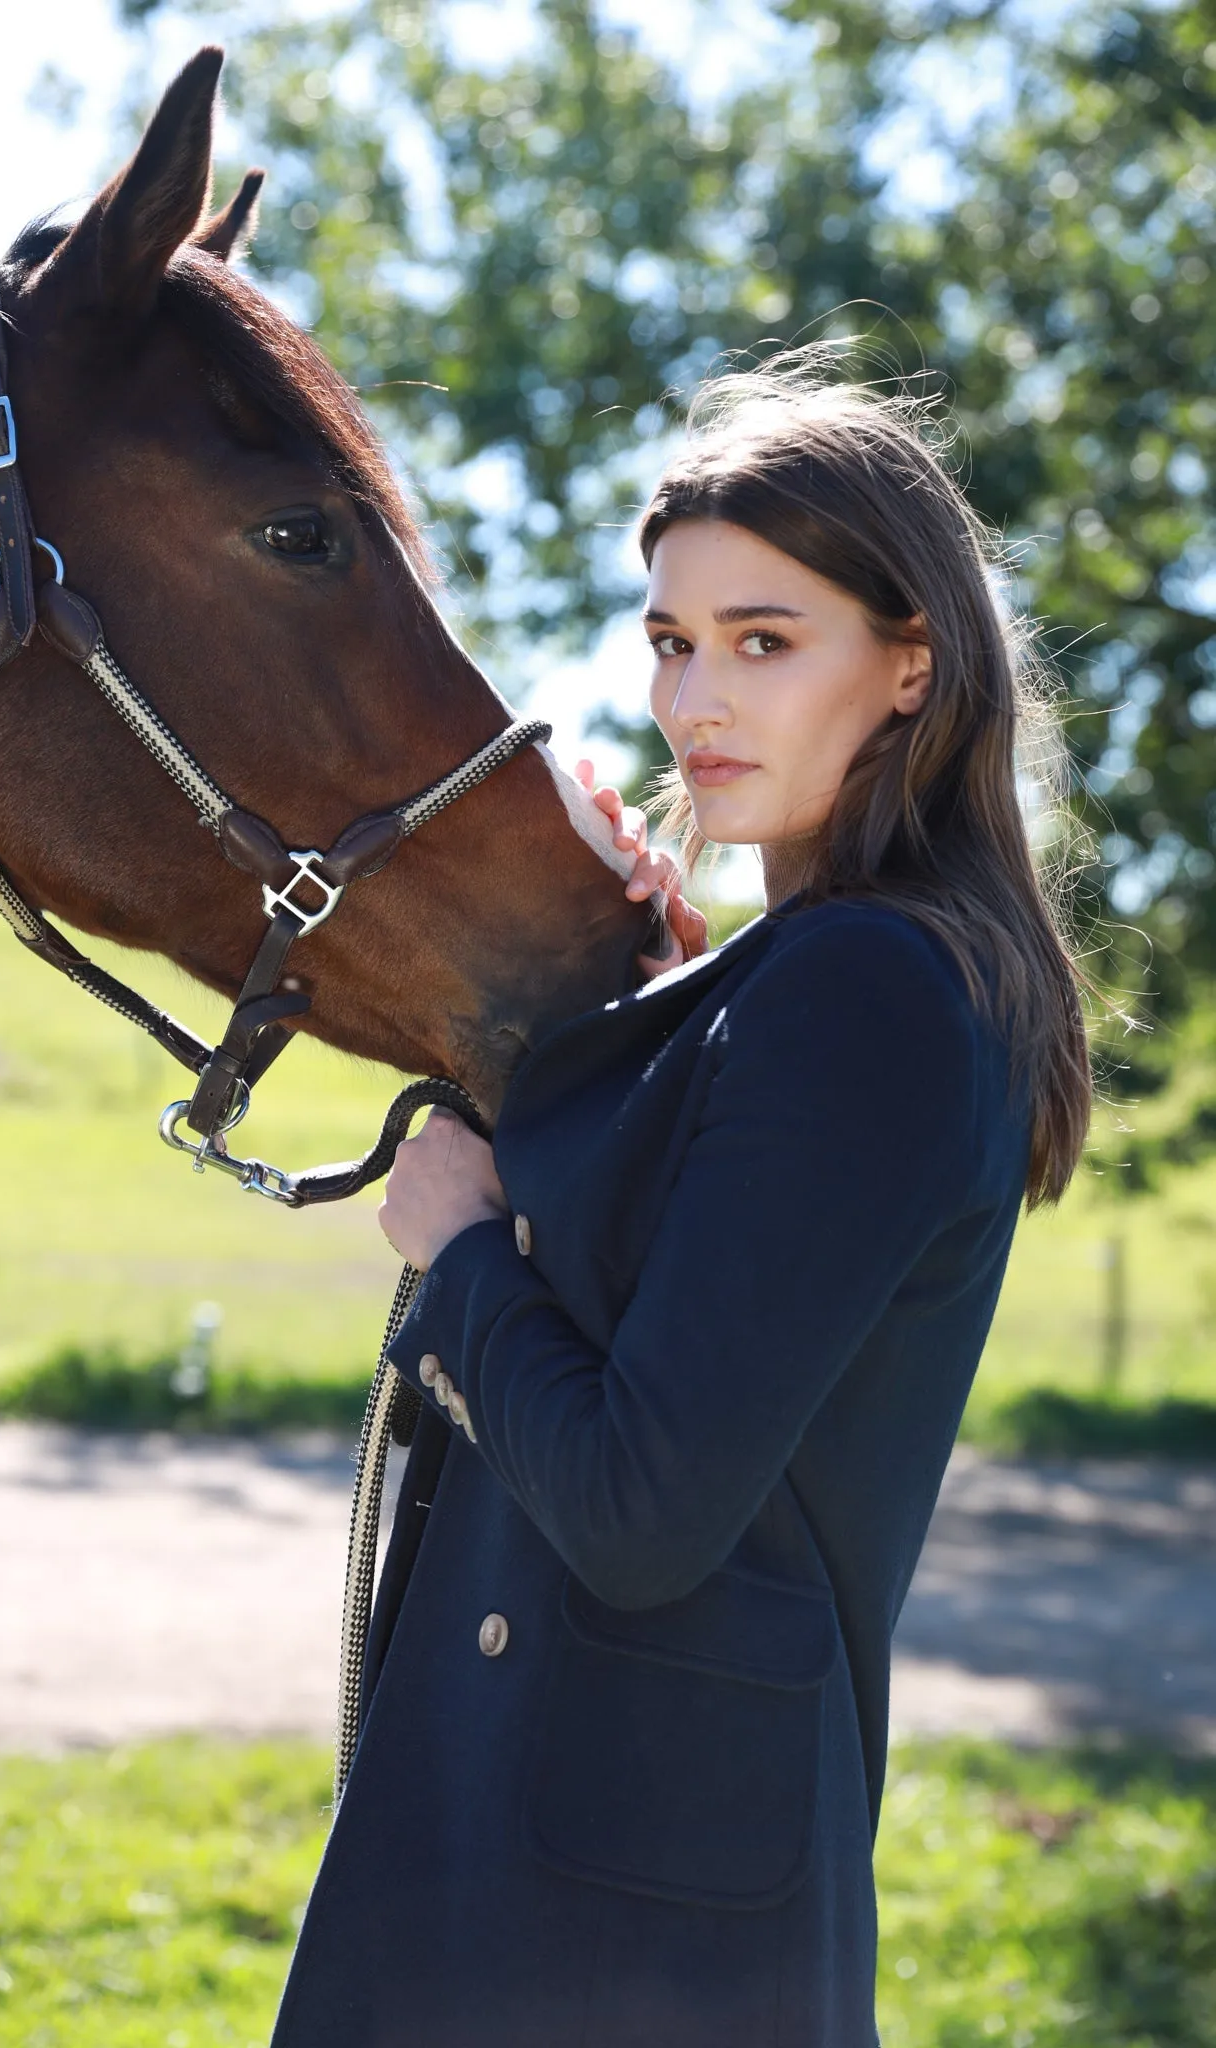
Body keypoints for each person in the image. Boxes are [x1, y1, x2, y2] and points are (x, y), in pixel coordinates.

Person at [269, 353, 1092, 2048]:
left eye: (763, 641)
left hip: (624, 1928)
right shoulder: (812, 977)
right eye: (671, 641)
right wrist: (633, 993)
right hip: (594, 1872)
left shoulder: (866, 993)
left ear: (912, 665)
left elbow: (643, 1508)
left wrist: (458, 1256)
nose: (693, 699)